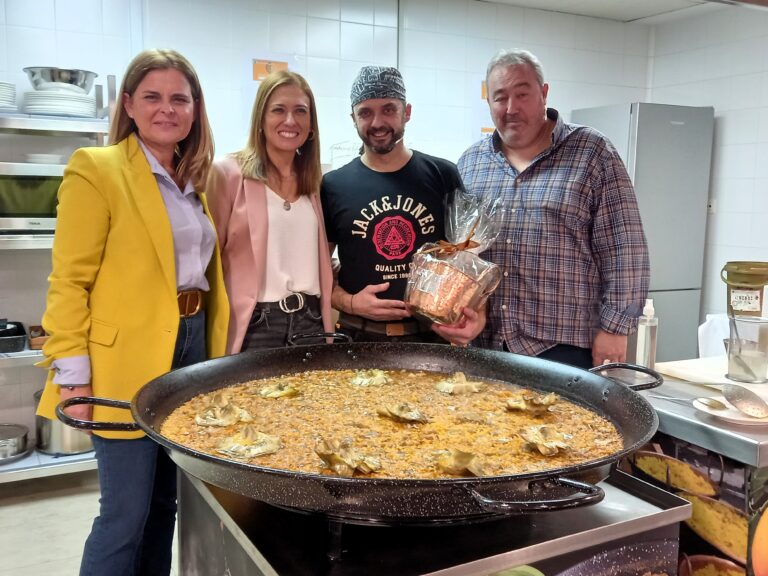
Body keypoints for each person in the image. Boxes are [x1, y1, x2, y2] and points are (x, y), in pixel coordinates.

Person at [35, 49, 229, 576]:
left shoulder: (195, 181)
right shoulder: (96, 168)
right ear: (128, 104)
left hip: (189, 348)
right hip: (124, 358)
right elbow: (69, 281)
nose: (166, 109)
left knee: (165, 505)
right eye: (152, 97)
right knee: (124, 512)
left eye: (179, 99)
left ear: (194, 109)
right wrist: (74, 377)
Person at [458, 49, 649, 369]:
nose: (511, 108)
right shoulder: (471, 163)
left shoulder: (592, 152)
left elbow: (624, 248)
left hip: (565, 346)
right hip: (486, 342)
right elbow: (463, 252)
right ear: (488, 102)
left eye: (522, 94)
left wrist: (615, 329)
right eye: (499, 97)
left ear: (543, 92)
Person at [321, 65, 483, 345]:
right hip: (357, 337)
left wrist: (478, 313)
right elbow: (317, 273)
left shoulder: (443, 175)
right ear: (353, 118)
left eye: (388, 109)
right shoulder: (333, 185)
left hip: (432, 340)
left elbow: (469, 260)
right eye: (365, 112)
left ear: (406, 112)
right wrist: (349, 302)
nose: (377, 123)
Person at [207, 70, 334, 353]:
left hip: (310, 322)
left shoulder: (313, 183)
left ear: (311, 124)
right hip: (255, 325)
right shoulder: (227, 173)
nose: (290, 121)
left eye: (300, 111)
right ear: (261, 120)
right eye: (279, 110)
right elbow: (209, 260)